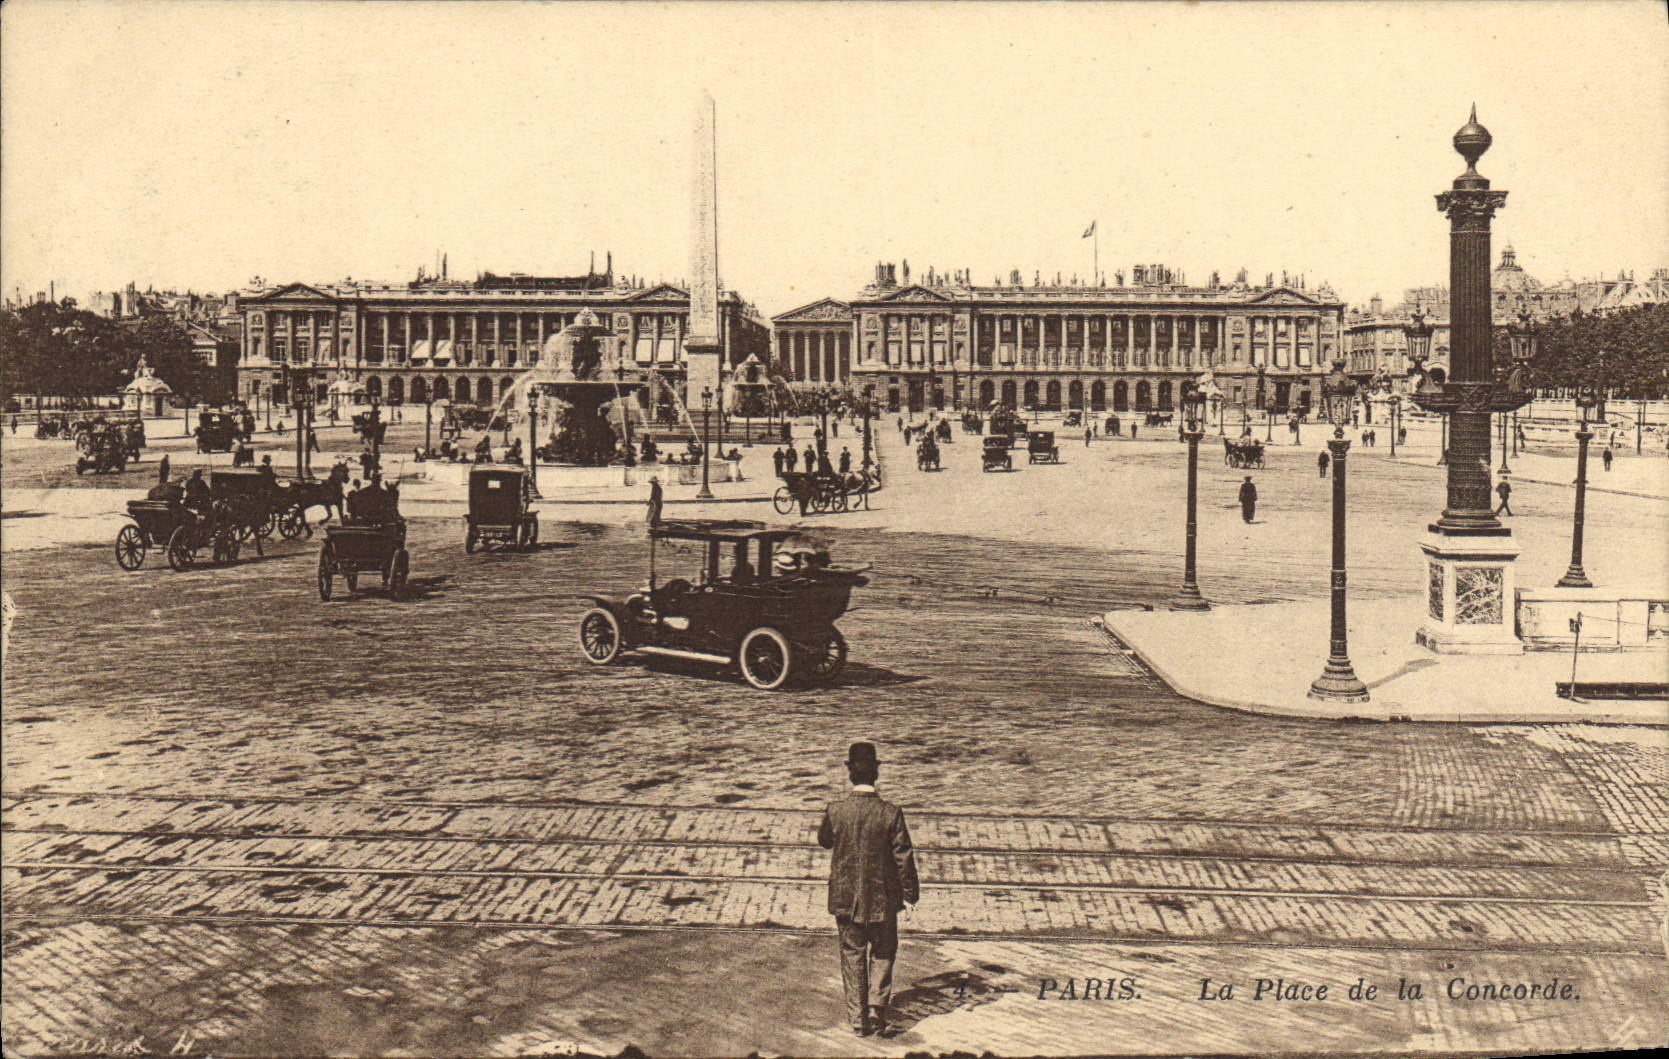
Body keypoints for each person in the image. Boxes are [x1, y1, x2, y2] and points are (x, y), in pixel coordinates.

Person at [817, 742, 919, 1038]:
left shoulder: (836, 810)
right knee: (884, 951)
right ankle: (876, 1006)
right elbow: (903, 856)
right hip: (882, 899)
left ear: (850, 772)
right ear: (876, 773)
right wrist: (910, 894)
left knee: (852, 956)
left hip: (845, 898)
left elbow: (824, 840)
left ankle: (858, 1020)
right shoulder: (891, 812)